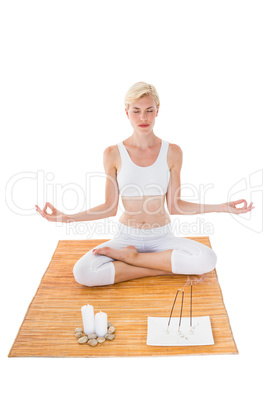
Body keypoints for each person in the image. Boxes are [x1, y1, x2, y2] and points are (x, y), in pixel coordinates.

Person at [35, 81, 254, 287]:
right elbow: (109, 207)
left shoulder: (173, 152)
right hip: (126, 236)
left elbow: (176, 206)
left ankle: (134, 259)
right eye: (136, 111)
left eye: (149, 110)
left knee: (207, 259)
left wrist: (223, 207)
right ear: (126, 112)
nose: (143, 117)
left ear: (158, 110)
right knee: (83, 273)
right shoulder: (112, 153)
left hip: (162, 236)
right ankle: (162, 267)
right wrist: (67, 217)